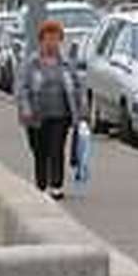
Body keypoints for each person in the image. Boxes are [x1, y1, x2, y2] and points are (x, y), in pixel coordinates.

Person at [15, 19, 82, 200]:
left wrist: (78, 112)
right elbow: (22, 88)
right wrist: (26, 109)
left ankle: (56, 185)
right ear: (41, 40)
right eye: (48, 38)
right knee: (39, 150)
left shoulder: (66, 63)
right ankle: (41, 184)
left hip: (60, 114)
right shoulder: (32, 63)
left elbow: (76, 87)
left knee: (57, 148)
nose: (52, 43)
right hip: (36, 115)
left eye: (56, 39)